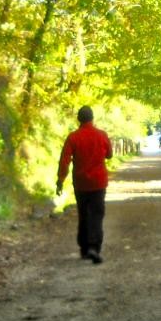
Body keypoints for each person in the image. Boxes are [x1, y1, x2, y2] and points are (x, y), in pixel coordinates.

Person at [56, 105, 112, 264]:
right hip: (98, 183)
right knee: (96, 214)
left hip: (81, 183)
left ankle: (84, 248)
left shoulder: (73, 137)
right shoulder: (101, 135)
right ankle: (94, 247)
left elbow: (64, 161)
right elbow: (109, 155)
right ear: (92, 118)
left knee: (83, 214)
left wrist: (60, 180)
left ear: (78, 119)